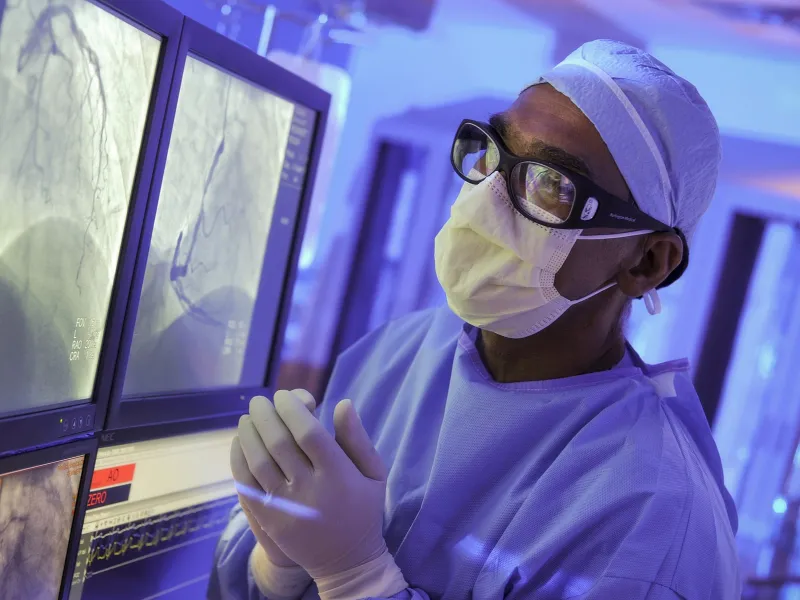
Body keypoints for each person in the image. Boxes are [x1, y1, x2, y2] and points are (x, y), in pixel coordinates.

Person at [208, 39, 740, 600]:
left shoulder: (652, 523)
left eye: (552, 185)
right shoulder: (401, 352)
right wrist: (278, 568)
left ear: (646, 262)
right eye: (493, 154)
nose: (488, 197)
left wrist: (355, 576)